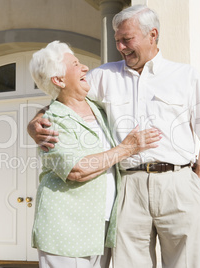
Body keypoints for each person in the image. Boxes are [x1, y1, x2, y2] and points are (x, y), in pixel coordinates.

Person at [28, 5, 200, 268]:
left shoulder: (185, 76)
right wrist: (34, 122)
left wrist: (196, 185)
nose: (120, 47)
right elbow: (65, 97)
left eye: (127, 39)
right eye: (117, 41)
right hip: (128, 187)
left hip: (178, 183)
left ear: (152, 35)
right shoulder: (104, 76)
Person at [28, 41, 161, 268]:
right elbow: (77, 169)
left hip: (102, 225)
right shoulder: (51, 122)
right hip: (66, 228)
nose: (84, 68)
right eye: (76, 64)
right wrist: (127, 148)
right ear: (58, 80)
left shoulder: (97, 108)